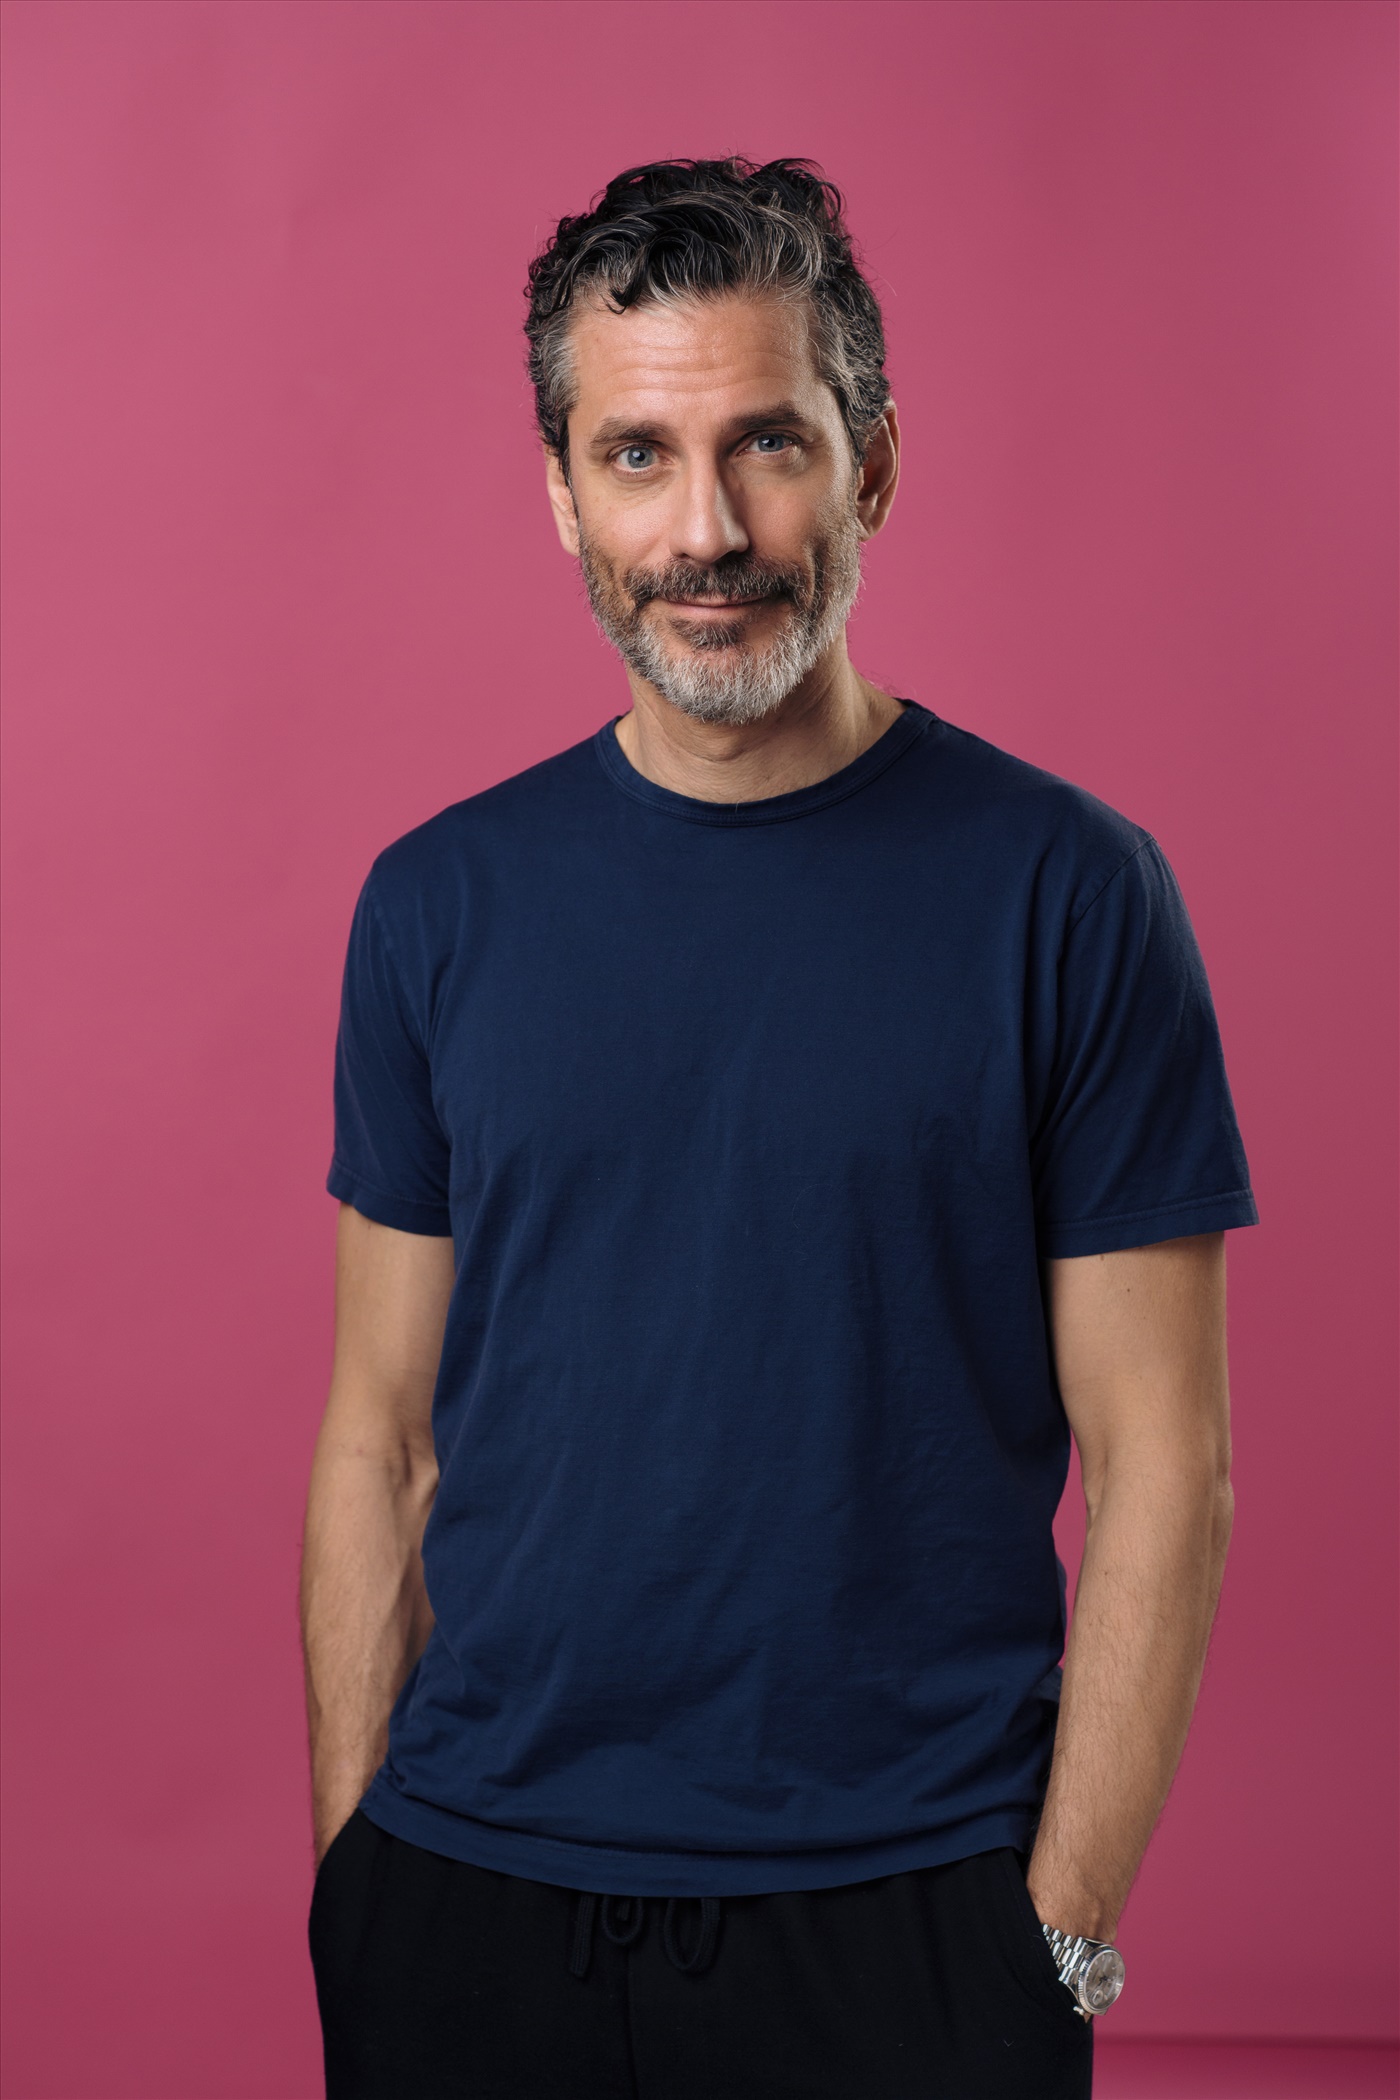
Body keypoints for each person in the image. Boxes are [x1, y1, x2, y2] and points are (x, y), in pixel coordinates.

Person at [299, 158, 1257, 2100]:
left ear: (870, 464)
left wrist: (1054, 1937)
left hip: (911, 1921)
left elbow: (1166, 1461)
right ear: (563, 493)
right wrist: (355, 1885)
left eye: (769, 444)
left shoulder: (1069, 894)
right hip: (471, 1902)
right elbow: (382, 1441)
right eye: (637, 456)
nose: (707, 531)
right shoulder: (435, 905)